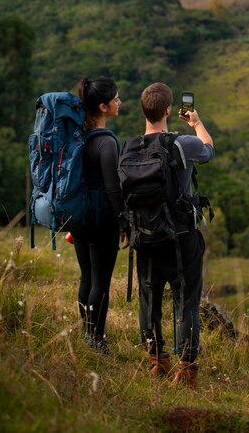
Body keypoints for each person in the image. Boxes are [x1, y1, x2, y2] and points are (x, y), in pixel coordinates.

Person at [135, 82, 214, 387]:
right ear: (168, 110)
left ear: (145, 110)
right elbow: (209, 149)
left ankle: (157, 362)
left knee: (149, 299)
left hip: (146, 237)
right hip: (181, 238)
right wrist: (196, 123)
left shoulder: (131, 148)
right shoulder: (183, 144)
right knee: (187, 301)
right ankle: (187, 369)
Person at [73, 76, 123, 354]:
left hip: (79, 215)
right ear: (103, 107)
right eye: (115, 99)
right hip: (102, 219)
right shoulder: (106, 143)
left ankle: (87, 334)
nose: (119, 102)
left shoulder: (78, 136)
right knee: (101, 282)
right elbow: (113, 189)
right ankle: (97, 339)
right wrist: (124, 221)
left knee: (86, 278)